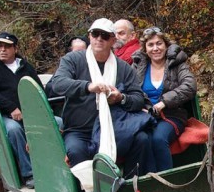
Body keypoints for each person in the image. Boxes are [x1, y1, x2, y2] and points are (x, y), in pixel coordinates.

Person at [47, 18, 153, 181]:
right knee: (76, 150)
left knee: (142, 139)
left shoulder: (123, 67)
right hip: (80, 130)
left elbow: (138, 99)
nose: (99, 39)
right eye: (95, 34)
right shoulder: (73, 60)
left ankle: (130, 191)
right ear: (89, 36)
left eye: (104, 35)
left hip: (114, 128)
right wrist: (88, 87)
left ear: (112, 40)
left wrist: (120, 98)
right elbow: (58, 84)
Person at [0, 31, 41, 188]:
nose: (2, 49)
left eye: (7, 46)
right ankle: (29, 173)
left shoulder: (25, 67)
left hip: (29, 113)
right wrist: (11, 107)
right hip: (3, 116)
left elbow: (38, 88)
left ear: (15, 49)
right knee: (14, 130)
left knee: (58, 123)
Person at [131, 27, 197, 172]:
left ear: (166, 45)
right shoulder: (138, 66)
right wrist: (139, 107)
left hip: (171, 115)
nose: (155, 48)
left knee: (158, 139)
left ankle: (165, 185)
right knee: (141, 139)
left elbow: (190, 86)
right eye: (151, 45)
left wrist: (164, 102)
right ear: (145, 49)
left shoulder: (177, 64)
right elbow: (130, 90)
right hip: (144, 116)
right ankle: (144, 183)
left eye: (159, 43)